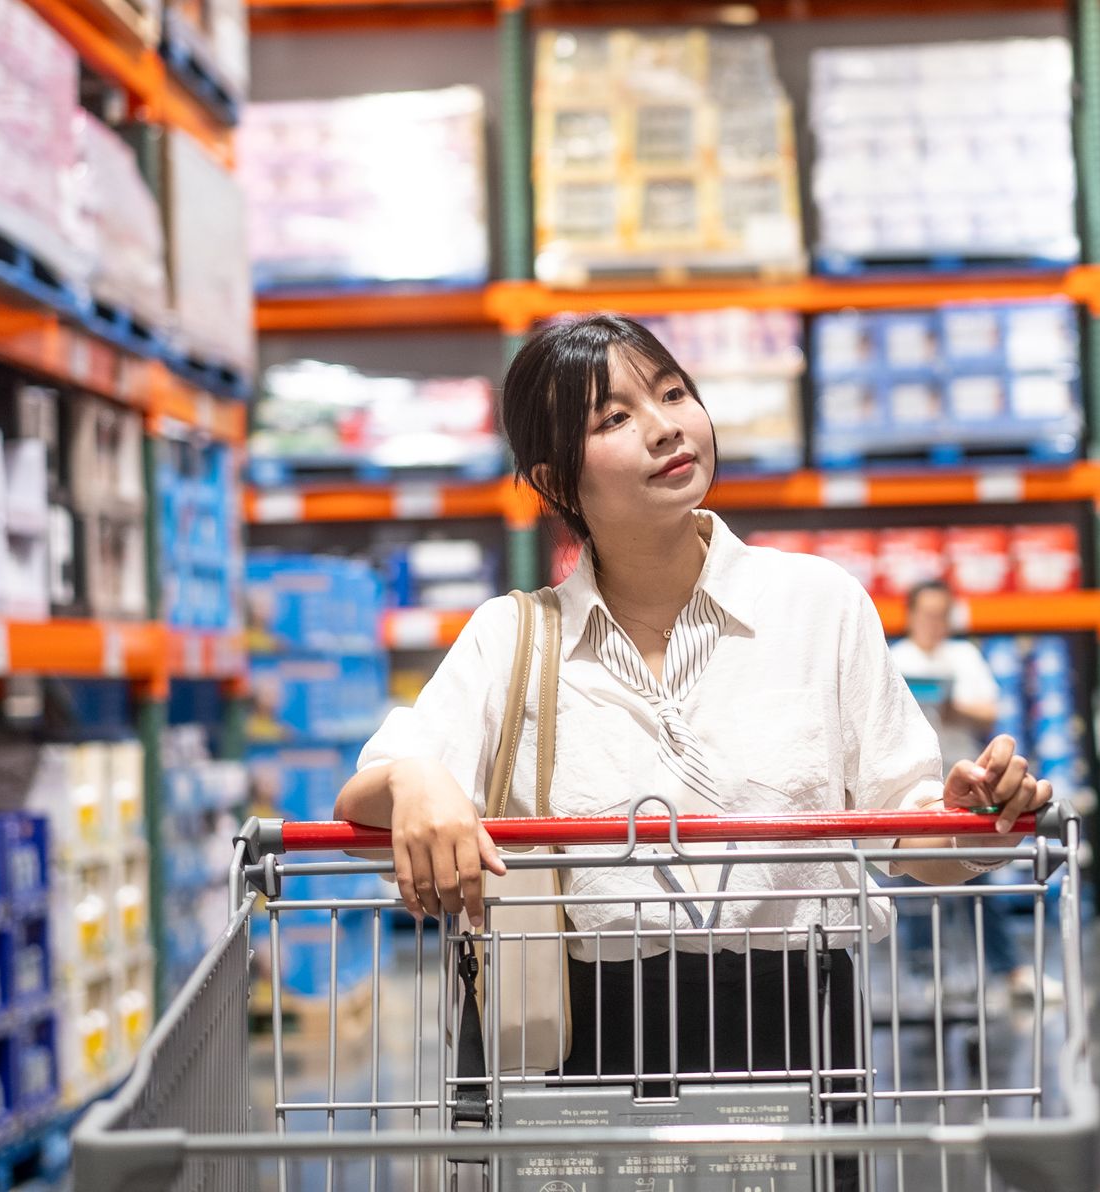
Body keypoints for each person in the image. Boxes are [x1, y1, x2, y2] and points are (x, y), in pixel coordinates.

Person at [331, 313, 1054, 1131]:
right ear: (555, 481)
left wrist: (974, 815)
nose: (664, 426)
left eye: (673, 393)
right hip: (583, 1040)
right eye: (614, 417)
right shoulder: (513, 637)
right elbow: (369, 790)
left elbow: (913, 836)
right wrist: (418, 777)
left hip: (800, 1026)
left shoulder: (818, 607)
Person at [888, 580, 1059, 1003]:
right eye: (926, 614)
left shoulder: (964, 656)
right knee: (916, 883)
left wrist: (951, 708)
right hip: (917, 789)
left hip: (968, 788)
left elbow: (991, 710)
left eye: (941, 614)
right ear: (911, 615)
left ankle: (1009, 970)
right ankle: (928, 978)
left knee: (982, 873)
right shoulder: (894, 657)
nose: (933, 623)